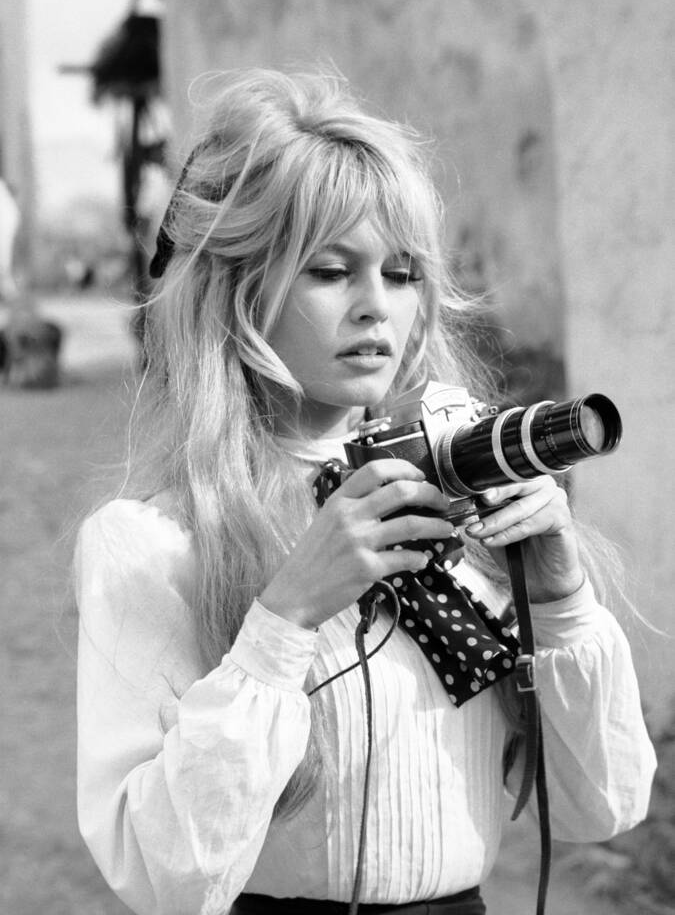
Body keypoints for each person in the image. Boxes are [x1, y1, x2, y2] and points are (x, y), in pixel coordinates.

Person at [75, 69, 656, 915]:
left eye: (403, 272)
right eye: (329, 270)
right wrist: (283, 622)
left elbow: (599, 808)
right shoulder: (154, 544)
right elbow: (159, 874)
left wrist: (560, 602)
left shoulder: (464, 493)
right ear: (236, 290)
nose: (375, 307)